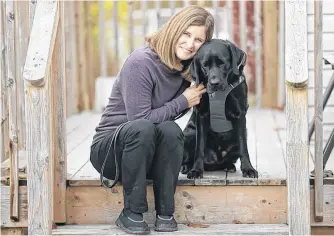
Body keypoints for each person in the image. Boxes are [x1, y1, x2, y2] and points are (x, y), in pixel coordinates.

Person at [90, 5, 214, 235]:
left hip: (148, 155)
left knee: (170, 130)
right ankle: (132, 213)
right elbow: (140, 120)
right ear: (174, 30)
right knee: (144, 127)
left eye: (198, 39)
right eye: (186, 34)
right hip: (111, 152)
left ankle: (165, 214)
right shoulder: (141, 62)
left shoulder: (188, 71)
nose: (190, 44)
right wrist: (182, 102)